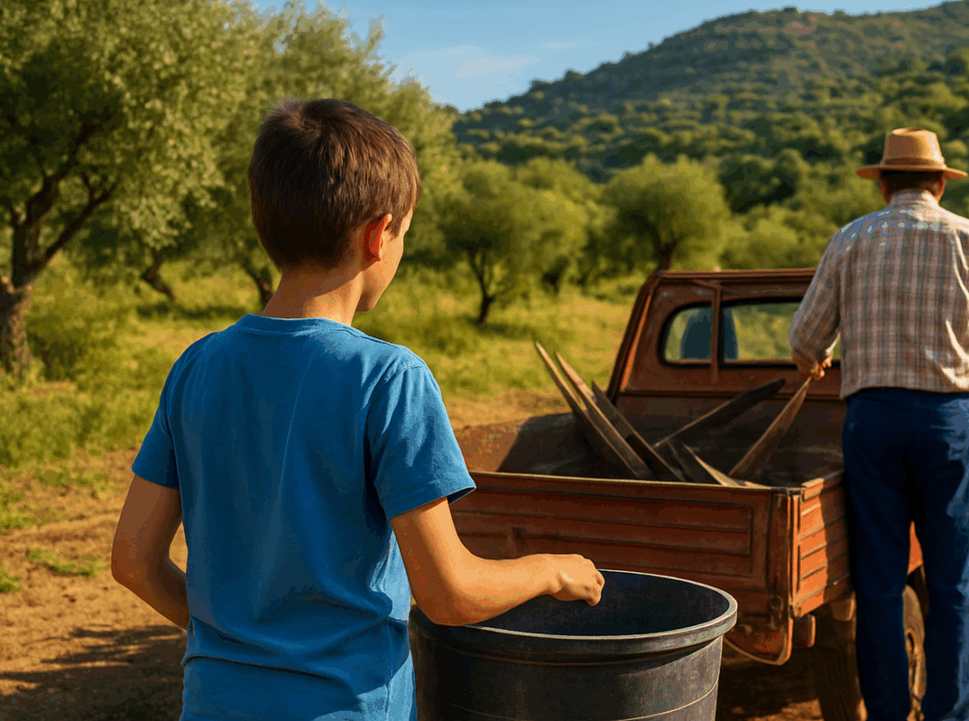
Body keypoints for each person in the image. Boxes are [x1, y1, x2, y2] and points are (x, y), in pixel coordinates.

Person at [111, 98, 604, 720]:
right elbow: (449, 595)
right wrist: (550, 570)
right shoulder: (391, 379)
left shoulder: (196, 366)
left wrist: (237, 643)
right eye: (404, 234)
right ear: (378, 234)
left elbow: (133, 561)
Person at [788, 127, 969, 721]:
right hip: (952, 422)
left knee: (879, 582)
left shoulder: (851, 238)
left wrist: (817, 357)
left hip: (874, 421)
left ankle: (889, 713)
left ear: (884, 183)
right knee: (952, 583)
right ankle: (948, 714)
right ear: (941, 183)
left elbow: (804, 340)